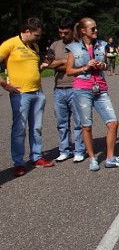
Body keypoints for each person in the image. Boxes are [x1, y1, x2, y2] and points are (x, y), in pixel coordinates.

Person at [66, 18, 119, 172]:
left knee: (113, 123)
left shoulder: (102, 45)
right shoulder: (74, 48)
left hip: (100, 88)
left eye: (96, 28)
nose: (96, 31)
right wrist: (85, 67)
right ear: (83, 31)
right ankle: (93, 158)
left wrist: (103, 65)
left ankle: (110, 157)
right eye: (92, 29)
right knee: (86, 126)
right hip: (82, 89)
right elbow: (69, 71)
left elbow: (106, 64)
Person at [0, 18, 55, 177]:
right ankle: (18, 162)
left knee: (36, 127)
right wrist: (5, 85)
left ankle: (36, 157)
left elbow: (34, 70)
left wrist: (43, 67)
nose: (39, 38)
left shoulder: (34, 46)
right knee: (19, 129)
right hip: (20, 94)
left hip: (37, 92)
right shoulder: (10, 44)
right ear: (27, 31)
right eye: (36, 35)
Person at [47, 17, 85, 162]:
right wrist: (66, 62)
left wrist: (64, 66)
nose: (62, 35)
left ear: (72, 31)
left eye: (66, 33)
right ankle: (64, 149)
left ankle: (79, 149)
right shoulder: (55, 45)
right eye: (60, 32)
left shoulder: (79, 45)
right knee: (61, 122)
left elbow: (80, 65)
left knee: (78, 121)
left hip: (76, 87)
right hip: (59, 89)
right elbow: (49, 64)